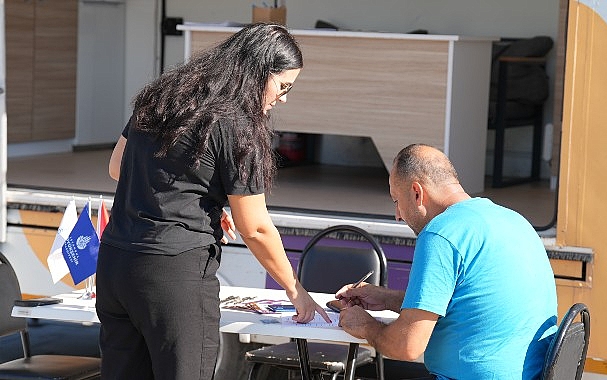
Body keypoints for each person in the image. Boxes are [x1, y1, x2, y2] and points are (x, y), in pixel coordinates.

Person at [96, 23, 329, 380]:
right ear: (258, 73)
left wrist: (204, 202)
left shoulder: (162, 96)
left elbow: (117, 168)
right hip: (173, 273)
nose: (283, 98)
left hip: (115, 264)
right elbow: (255, 228)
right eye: (283, 86)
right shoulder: (237, 124)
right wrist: (295, 289)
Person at [335, 144, 558, 380]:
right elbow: (469, 305)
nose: (398, 215)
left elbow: (406, 346)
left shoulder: (441, 234)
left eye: (396, 201)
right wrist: (387, 298)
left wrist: (366, 325)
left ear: (417, 193)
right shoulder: (514, 220)